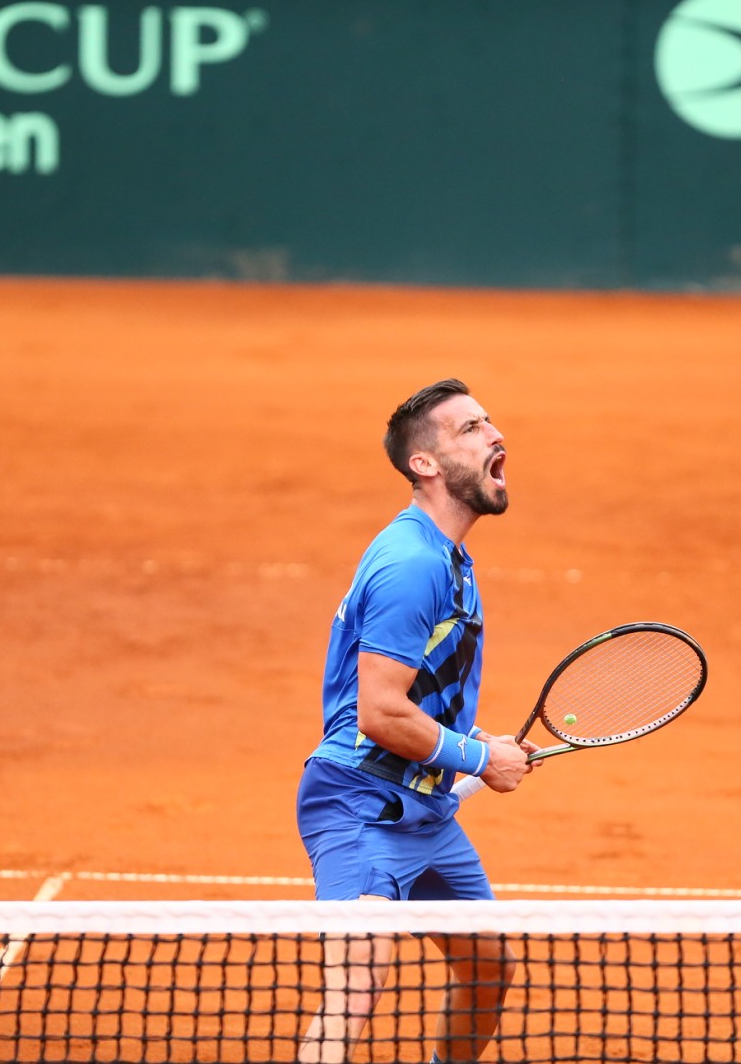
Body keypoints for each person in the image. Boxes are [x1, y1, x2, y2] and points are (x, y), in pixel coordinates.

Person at [295, 378, 538, 1064]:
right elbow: (379, 713)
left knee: (487, 967)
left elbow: (416, 693)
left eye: (489, 422)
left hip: (423, 808)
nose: (495, 435)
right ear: (424, 463)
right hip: (361, 805)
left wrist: (474, 741)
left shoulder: (449, 558)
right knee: (356, 987)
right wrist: (481, 760)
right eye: (470, 429)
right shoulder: (412, 564)